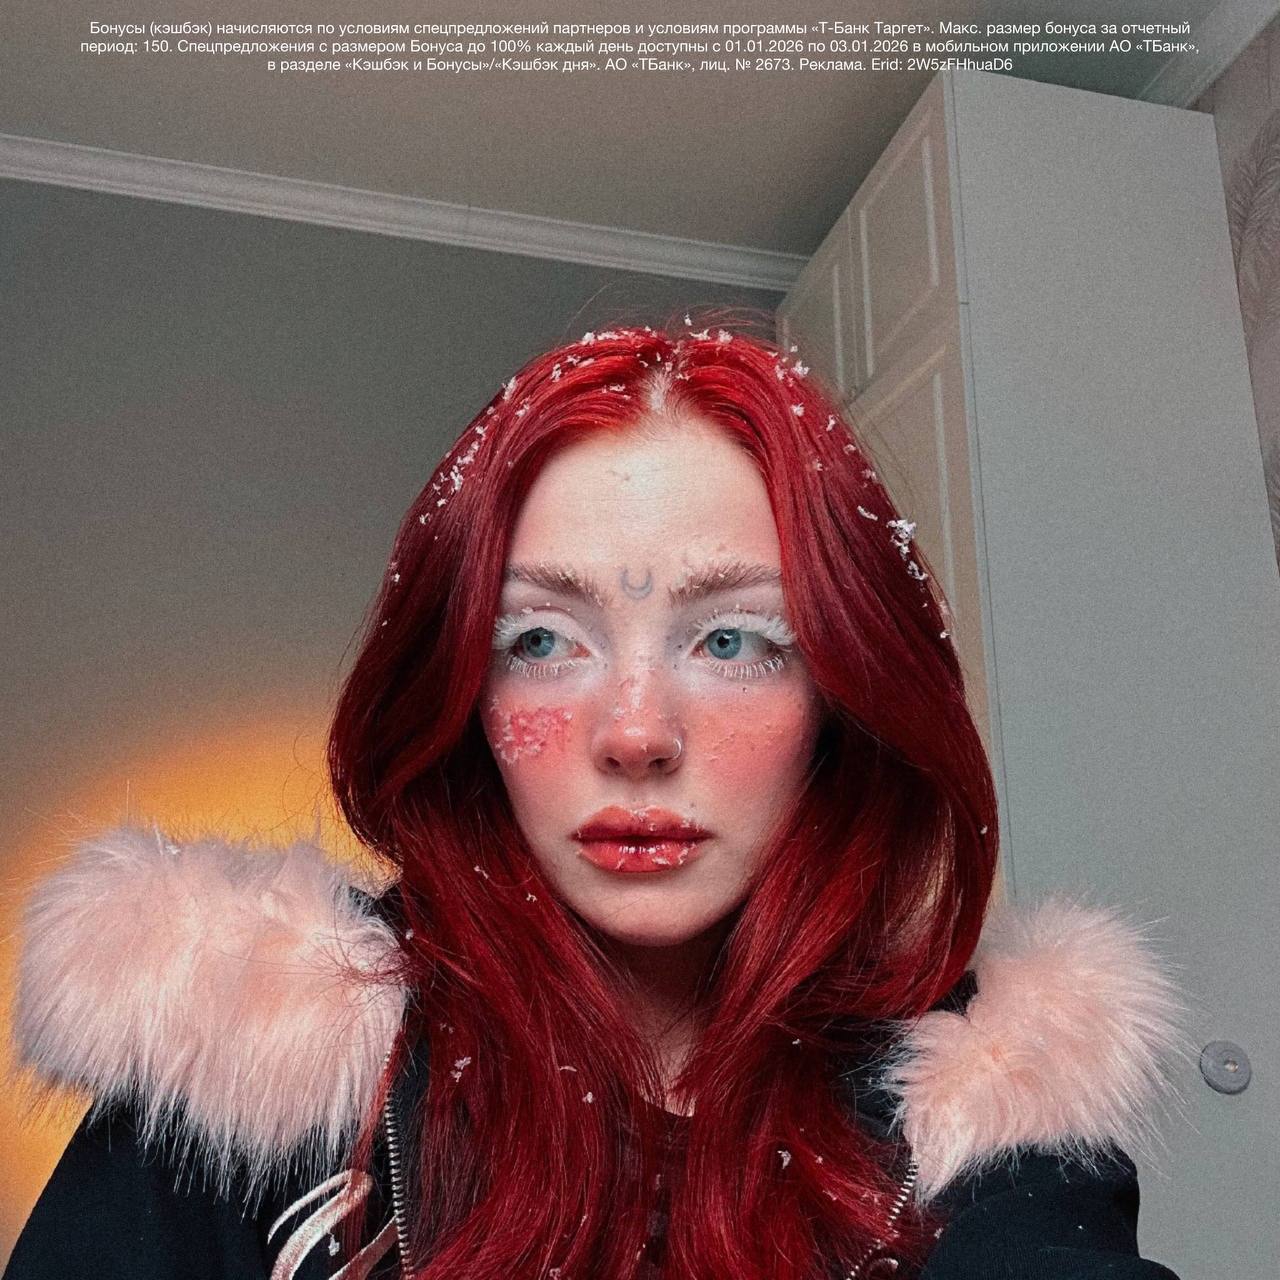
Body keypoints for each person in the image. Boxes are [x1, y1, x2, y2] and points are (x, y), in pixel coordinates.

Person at [5, 314, 1189, 1279]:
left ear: (841, 695)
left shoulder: (989, 1102)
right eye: (539, 640)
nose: (633, 733)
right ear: (462, 696)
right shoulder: (240, 1069)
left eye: (732, 640)